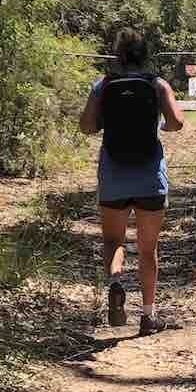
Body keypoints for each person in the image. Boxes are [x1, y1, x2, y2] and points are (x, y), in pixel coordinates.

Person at [78, 28, 185, 334]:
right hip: (150, 176)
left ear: (118, 56)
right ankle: (149, 316)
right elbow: (176, 122)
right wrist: (162, 126)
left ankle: (115, 283)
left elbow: (86, 126)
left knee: (113, 241)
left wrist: (103, 122)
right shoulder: (157, 85)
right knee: (148, 248)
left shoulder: (103, 85)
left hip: (113, 176)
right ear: (145, 54)